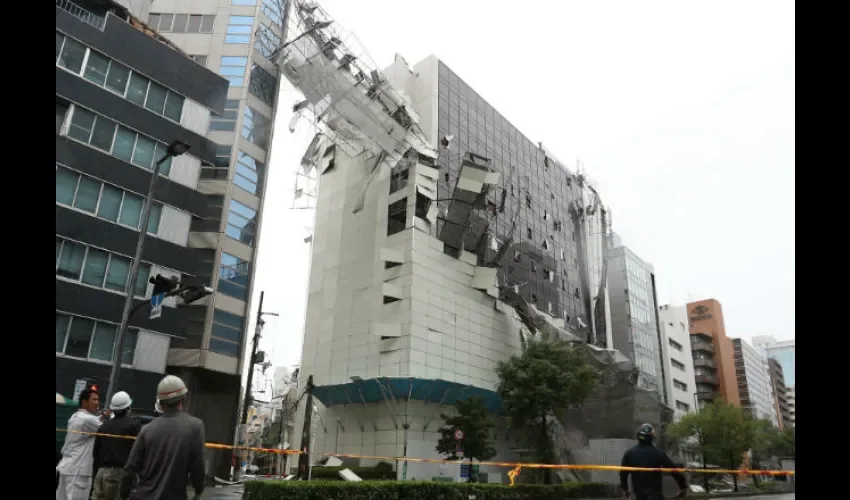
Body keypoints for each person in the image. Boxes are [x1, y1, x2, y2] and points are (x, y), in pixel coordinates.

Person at [119, 375, 206, 500]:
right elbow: (198, 467)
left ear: (160, 402)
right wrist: (198, 490)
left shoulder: (147, 430)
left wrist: (124, 494)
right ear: (183, 398)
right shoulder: (195, 427)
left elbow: (130, 468)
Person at [57, 388, 112, 500]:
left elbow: (94, 422)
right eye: (94, 400)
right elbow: (106, 428)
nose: (97, 403)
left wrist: (102, 416)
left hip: (67, 467)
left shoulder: (75, 417)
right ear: (84, 402)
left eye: (98, 400)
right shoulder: (87, 420)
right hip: (78, 471)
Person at [92, 391, 141, 500]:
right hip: (119, 473)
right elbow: (138, 452)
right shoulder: (133, 425)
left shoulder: (104, 426)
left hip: (101, 472)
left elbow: (96, 453)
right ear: (128, 407)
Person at [620, 423, 688, 500]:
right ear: (652, 437)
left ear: (638, 436)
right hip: (655, 495)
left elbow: (623, 474)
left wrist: (625, 490)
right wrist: (683, 487)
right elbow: (674, 471)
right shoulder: (658, 453)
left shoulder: (629, 454)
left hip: (638, 495)